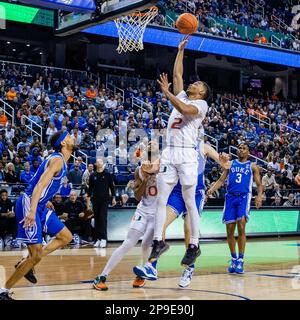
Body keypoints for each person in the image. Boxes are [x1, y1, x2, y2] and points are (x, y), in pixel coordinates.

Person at [149, 37, 210, 267]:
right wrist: (180, 50)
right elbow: (177, 76)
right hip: (170, 152)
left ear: (202, 93)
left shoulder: (201, 106)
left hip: (187, 155)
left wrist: (167, 94)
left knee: (189, 201)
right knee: (160, 199)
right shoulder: (183, 94)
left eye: (199, 84)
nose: (194, 84)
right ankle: (158, 242)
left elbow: (183, 108)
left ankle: (194, 245)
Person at [133, 141, 230, 288]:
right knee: (160, 224)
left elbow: (225, 165)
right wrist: (149, 167)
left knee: (188, 230)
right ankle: (152, 267)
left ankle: (189, 268)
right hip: (177, 193)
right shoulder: (172, 146)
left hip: (196, 193)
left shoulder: (202, 146)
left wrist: (224, 160)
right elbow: (157, 166)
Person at [0, 130, 74, 300]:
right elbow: (39, 185)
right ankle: (3, 290)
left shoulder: (59, 160)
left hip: (39, 204)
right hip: (29, 204)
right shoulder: (57, 160)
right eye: (69, 136)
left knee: (66, 237)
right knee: (36, 256)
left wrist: (44, 200)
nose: (73, 138)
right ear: (63, 143)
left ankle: (27, 261)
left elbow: (41, 184)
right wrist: (32, 211)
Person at [93, 141, 160, 290]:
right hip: (143, 210)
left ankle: (142, 275)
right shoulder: (139, 170)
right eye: (149, 143)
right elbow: (137, 197)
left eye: (154, 143)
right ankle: (102, 275)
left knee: (146, 245)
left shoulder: (164, 166)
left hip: (157, 214)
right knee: (127, 243)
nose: (150, 144)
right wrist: (144, 182)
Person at [207, 143, 263, 275]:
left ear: (248, 152)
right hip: (230, 198)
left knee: (242, 226)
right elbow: (221, 180)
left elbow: (259, 184)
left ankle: (241, 260)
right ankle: (233, 259)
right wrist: (211, 190)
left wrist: (259, 196)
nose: (241, 150)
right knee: (230, 230)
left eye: (244, 148)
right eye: (240, 148)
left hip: (244, 197)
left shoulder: (252, 166)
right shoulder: (230, 164)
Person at [87, 158, 116, 248]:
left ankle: (103, 239)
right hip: (95, 200)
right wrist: (88, 201)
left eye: (101, 161)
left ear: (103, 163)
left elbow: (112, 187)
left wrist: (113, 198)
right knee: (97, 220)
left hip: (105, 200)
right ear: (96, 164)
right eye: (98, 161)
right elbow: (90, 189)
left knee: (102, 218)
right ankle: (98, 239)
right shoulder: (92, 175)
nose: (99, 163)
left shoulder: (107, 174)